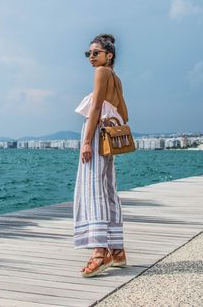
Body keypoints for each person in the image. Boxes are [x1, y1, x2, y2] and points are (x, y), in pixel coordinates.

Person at [73, 34, 128, 278]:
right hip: (108, 138)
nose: (91, 57)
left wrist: (86, 141)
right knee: (107, 190)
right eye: (88, 54)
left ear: (109, 55)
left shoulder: (101, 73)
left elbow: (95, 107)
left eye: (95, 52)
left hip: (96, 136)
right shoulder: (116, 79)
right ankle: (117, 250)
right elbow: (123, 114)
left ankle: (99, 251)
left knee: (92, 189)